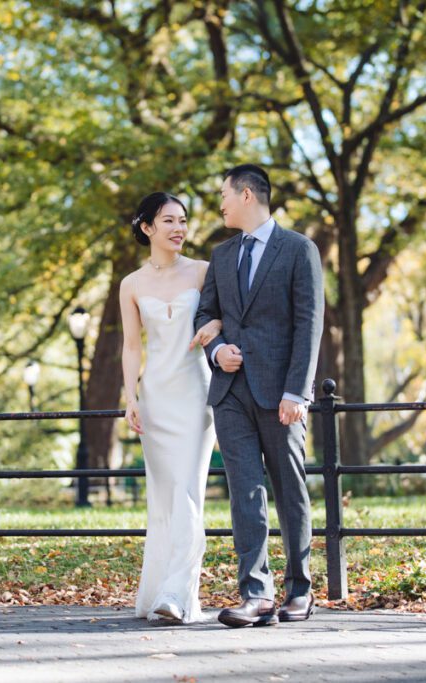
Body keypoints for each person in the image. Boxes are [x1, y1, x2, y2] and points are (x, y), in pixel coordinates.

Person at [194, 164, 324, 627]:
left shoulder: (298, 250)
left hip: (280, 395)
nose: (220, 203)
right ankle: (257, 594)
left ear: (247, 195)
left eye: (224, 194)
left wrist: (297, 391)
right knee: (245, 492)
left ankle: (300, 590)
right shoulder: (222, 255)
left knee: (290, 489)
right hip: (230, 393)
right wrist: (215, 349)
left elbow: (310, 324)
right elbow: (205, 314)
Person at [119, 192, 221, 624]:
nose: (179, 228)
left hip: (196, 393)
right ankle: (158, 591)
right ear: (147, 228)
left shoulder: (203, 271)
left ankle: (180, 594)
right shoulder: (131, 284)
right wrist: (130, 398)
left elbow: (223, 317)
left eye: (183, 220)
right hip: (156, 397)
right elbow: (130, 347)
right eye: (168, 221)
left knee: (188, 491)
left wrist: (214, 324)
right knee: (163, 496)